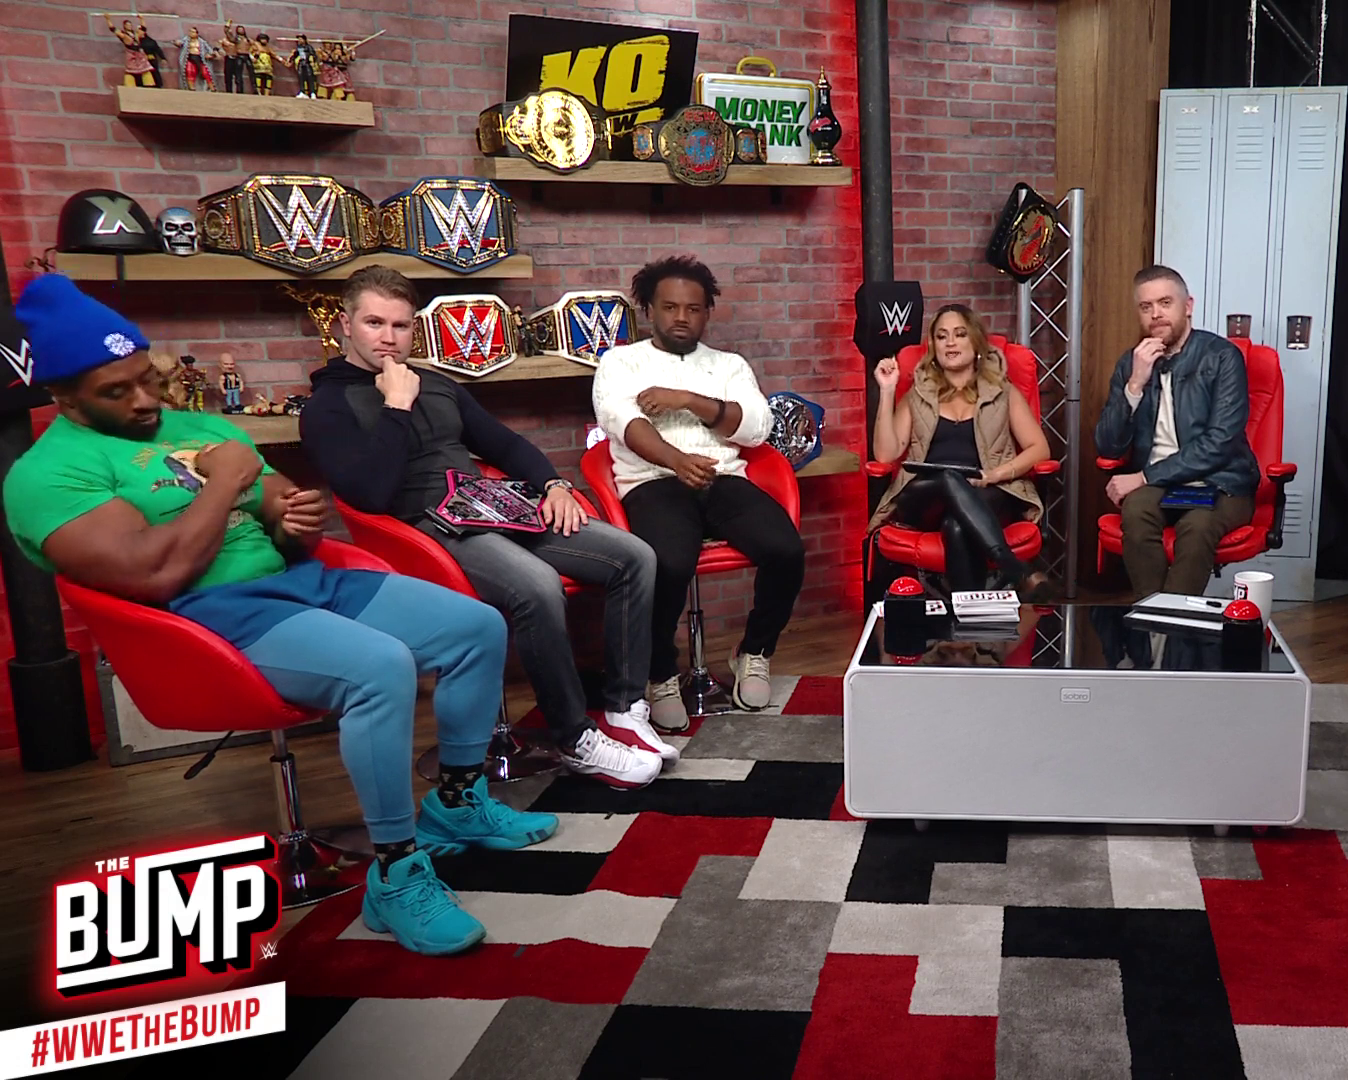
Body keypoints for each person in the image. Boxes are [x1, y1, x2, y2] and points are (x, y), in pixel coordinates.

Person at [2, 274, 551, 957]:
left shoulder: (198, 426)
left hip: (302, 581)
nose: (145, 402)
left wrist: (294, 519)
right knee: (382, 668)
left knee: (476, 626)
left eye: (147, 379)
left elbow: (282, 507)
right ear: (63, 396)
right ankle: (396, 872)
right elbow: (155, 572)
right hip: (209, 617)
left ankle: (459, 802)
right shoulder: (47, 474)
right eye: (117, 392)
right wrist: (229, 480)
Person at [301, 266, 671, 789]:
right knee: (537, 585)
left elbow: (504, 444)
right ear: (346, 325)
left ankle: (624, 710)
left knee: (633, 556)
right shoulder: (327, 406)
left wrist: (553, 486)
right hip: (427, 531)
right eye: (374, 323)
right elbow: (369, 494)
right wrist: (396, 405)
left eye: (400, 326)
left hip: (489, 507)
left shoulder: (436, 384)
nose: (388, 338)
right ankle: (575, 739)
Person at [592, 255, 806, 729]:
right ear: (649, 309)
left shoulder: (729, 365)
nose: (681, 317)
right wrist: (676, 461)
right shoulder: (620, 362)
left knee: (786, 550)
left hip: (722, 478)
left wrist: (687, 400)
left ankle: (754, 651)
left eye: (693, 309)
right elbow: (624, 422)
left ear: (707, 312)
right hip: (653, 482)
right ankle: (661, 673)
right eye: (669, 307)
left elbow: (756, 428)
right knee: (669, 563)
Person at [1093, 265, 1259, 599]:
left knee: (1197, 526)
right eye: (1146, 306)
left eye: (1165, 303)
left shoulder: (1222, 357)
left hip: (1221, 482)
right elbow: (1108, 446)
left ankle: (1172, 619)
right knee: (1135, 512)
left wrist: (1143, 476)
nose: (1156, 314)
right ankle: (1154, 615)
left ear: (1188, 306)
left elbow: (1219, 443)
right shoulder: (1131, 364)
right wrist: (1135, 383)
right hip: (1160, 485)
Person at [869, 304, 1053, 597]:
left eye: (959, 334)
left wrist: (995, 475)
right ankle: (1016, 570)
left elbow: (1039, 448)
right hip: (924, 496)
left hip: (986, 489)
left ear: (975, 342)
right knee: (947, 477)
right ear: (934, 347)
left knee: (956, 526)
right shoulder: (918, 393)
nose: (950, 343)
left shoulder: (1002, 392)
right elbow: (885, 454)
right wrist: (887, 390)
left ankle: (967, 615)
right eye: (942, 337)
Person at [108, 18, 159, 88]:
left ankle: (149, 85)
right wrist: (108, 19)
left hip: (140, 55)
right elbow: (113, 29)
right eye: (127, 25)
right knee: (130, 72)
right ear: (124, 26)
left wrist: (141, 19)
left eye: (130, 25)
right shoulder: (123, 34)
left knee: (146, 70)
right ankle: (129, 85)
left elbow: (143, 29)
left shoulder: (135, 34)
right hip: (131, 55)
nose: (129, 26)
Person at [220, 22, 253, 95]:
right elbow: (227, 33)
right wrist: (227, 26)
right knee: (229, 75)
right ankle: (229, 91)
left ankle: (240, 90)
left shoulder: (246, 40)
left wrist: (253, 55)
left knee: (239, 75)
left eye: (242, 29)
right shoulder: (234, 39)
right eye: (239, 29)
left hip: (239, 57)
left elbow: (253, 47)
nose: (241, 31)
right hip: (231, 57)